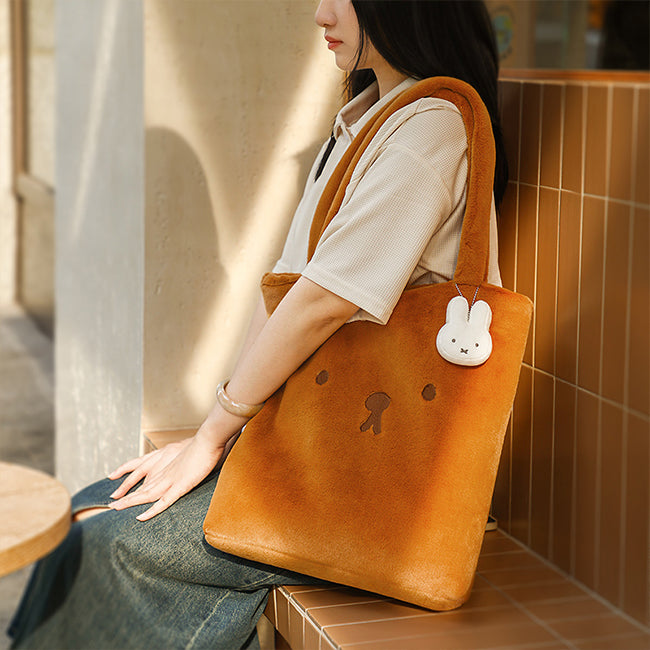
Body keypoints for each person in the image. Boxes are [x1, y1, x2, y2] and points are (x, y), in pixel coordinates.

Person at [8, 1, 506, 648]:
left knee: (107, 543)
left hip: (368, 484)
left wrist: (213, 436)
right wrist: (221, 428)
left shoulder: (431, 127)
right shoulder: (367, 120)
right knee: (86, 508)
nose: (321, 13)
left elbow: (322, 302)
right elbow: (284, 291)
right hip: (313, 444)